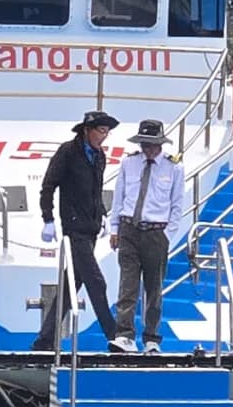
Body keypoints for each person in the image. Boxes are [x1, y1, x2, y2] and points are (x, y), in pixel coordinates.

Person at [33, 108, 119, 348]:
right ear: (87, 130)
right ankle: (114, 336)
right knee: (96, 282)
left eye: (107, 132)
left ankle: (44, 340)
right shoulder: (68, 152)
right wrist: (48, 218)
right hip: (74, 228)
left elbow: (96, 190)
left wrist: (103, 214)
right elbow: (48, 185)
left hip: (91, 227)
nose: (104, 136)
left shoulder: (100, 156)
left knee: (71, 286)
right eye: (101, 131)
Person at [110, 117, 186, 351]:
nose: (148, 148)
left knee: (154, 289)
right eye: (144, 143)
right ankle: (125, 335)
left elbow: (177, 205)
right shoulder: (129, 163)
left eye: (152, 144)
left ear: (160, 144)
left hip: (156, 233)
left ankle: (151, 338)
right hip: (129, 229)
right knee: (127, 285)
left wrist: (167, 234)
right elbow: (119, 197)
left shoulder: (174, 167)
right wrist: (115, 228)